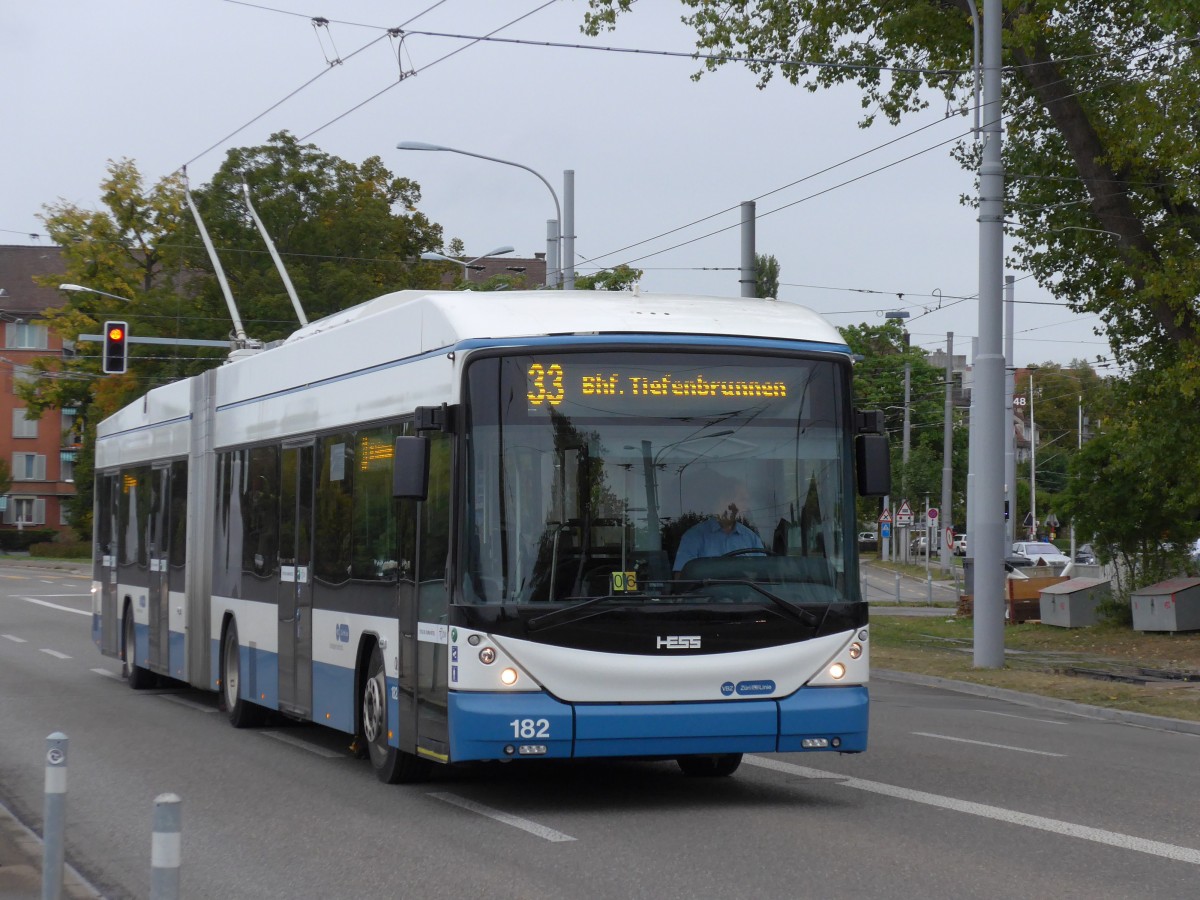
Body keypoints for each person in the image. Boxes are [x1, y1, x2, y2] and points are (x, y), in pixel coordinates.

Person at [673, 492, 765, 574]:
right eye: (729, 501)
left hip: (747, 592)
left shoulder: (752, 538)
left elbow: (764, 576)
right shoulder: (693, 537)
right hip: (705, 593)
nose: (732, 507)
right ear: (718, 502)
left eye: (740, 501)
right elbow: (681, 581)